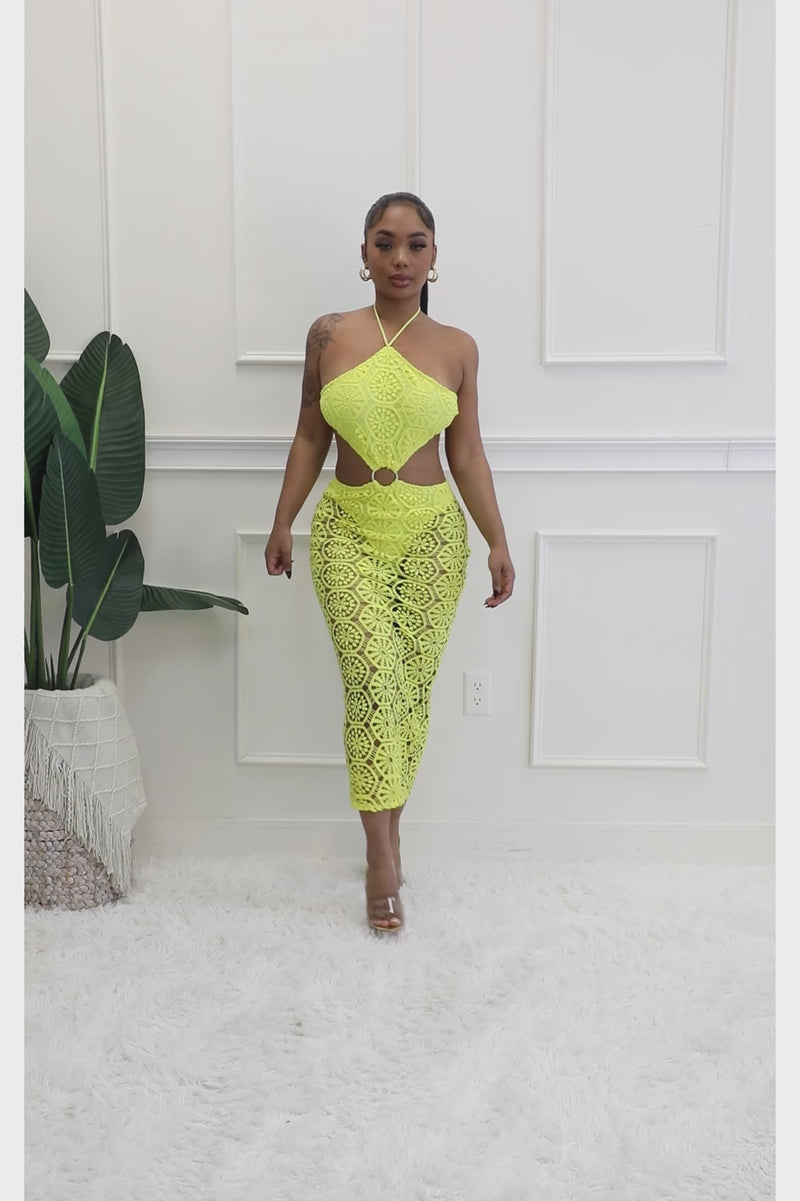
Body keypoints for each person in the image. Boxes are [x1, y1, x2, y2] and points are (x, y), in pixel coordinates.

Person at [265, 192, 514, 933]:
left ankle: (390, 833)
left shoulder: (458, 347)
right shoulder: (329, 334)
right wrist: (282, 521)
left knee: (407, 693)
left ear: (434, 256)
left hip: (433, 538)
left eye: (415, 244)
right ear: (364, 254)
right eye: (384, 243)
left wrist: (497, 539)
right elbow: (309, 435)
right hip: (346, 531)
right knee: (372, 682)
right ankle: (380, 858)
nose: (399, 258)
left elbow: (467, 454)